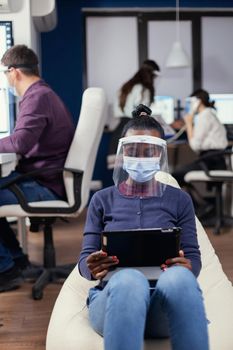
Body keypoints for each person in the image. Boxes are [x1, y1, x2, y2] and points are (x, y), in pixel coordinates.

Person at [78, 104, 209, 350]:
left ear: (160, 155)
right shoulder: (102, 200)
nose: (140, 158)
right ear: (122, 152)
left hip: (161, 308)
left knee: (180, 278)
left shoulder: (179, 199)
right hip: (112, 303)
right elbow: (85, 261)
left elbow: (193, 259)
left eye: (149, 152)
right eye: (133, 150)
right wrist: (92, 266)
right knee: (129, 280)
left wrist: (186, 267)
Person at [0, 45, 75, 292]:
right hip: (45, 178)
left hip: (45, 184)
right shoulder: (44, 94)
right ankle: (17, 263)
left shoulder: (37, 97)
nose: (7, 80)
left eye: (5, 73)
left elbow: (21, 142)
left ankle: (6, 269)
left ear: (15, 72)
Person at [172, 88, 228, 188]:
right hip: (216, 161)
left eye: (190, 102)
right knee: (180, 172)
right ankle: (200, 202)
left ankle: (198, 203)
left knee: (175, 174)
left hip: (210, 162)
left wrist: (189, 124)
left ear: (198, 102)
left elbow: (195, 146)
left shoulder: (204, 116)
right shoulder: (210, 114)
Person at [108, 59, 161, 163]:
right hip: (133, 132)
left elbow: (116, 110)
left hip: (119, 132)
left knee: (118, 174)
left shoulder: (126, 87)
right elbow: (143, 114)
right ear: (152, 75)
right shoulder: (143, 90)